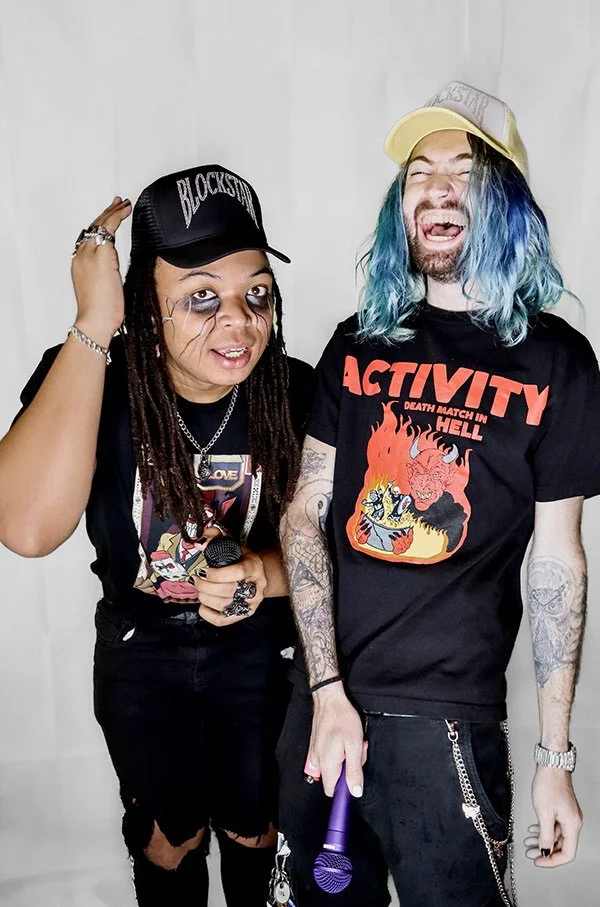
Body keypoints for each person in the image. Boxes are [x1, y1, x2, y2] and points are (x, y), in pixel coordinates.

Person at [278, 81, 600, 906]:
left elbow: (557, 561)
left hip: (447, 727)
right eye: (420, 172)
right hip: (322, 715)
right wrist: (325, 692)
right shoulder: (356, 345)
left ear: (507, 201)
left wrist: (555, 759)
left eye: (466, 170)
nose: (437, 187)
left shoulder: (557, 362)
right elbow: (306, 513)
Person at [0, 164, 314, 906]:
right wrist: (93, 323)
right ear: (147, 302)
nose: (238, 321)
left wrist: (264, 573)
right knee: (167, 839)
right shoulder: (94, 375)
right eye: (201, 296)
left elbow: (343, 549)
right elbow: (26, 527)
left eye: (256, 293)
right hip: (141, 652)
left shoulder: (296, 390)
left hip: (259, 649)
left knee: (257, 829)